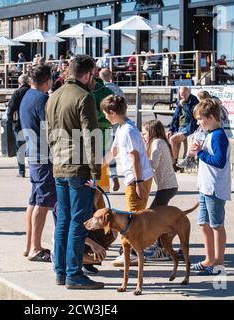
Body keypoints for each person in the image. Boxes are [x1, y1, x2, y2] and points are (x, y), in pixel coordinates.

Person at [46, 54, 104, 289]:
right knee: (79, 222)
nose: (95, 80)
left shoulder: (54, 96)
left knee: (63, 221)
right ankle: (74, 274)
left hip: (59, 165)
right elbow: (92, 136)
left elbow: (48, 134)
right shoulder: (84, 97)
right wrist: (95, 170)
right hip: (79, 168)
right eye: (95, 75)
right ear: (88, 74)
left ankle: (60, 272)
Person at [101, 95, 154, 267]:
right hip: (134, 178)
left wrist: (138, 183)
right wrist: (97, 167)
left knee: (133, 219)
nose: (105, 117)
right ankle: (132, 250)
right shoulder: (122, 128)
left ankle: (131, 253)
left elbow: (135, 158)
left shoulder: (128, 131)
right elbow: (114, 152)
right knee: (133, 215)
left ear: (113, 112)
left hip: (137, 178)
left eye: (106, 114)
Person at [189, 98, 231, 276]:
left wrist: (200, 153)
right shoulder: (209, 134)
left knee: (216, 225)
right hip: (205, 187)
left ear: (212, 117)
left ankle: (219, 263)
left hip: (215, 188)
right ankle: (209, 259)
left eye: (200, 119)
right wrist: (198, 150)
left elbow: (219, 162)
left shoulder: (219, 136)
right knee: (203, 223)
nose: (198, 123)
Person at [19, 65, 57, 262]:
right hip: (43, 155)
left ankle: (29, 245)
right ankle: (35, 247)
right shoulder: (43, 98)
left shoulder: (26, 95)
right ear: (48, 81)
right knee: (42, 203)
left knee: (34, 200)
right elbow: (49, 127)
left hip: (32, 152)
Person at [141, 120, 179, 261]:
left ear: (151, 132)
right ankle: (161, 246)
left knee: (152, 216)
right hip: (168, 186)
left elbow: (153, 164)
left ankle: (162, 249)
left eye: (144, 133)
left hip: (166, 186)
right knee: (156, 217)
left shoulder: (157, 143)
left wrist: (138, 157)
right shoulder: (162, 142)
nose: (143, 136)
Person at [167, 86, 199, 170]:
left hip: (189, 127)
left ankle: (174, 164)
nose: (183, 97)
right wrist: (171, 129)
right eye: (181, 95)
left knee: (173, 140)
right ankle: (175, 163)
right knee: (171, 139)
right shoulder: (180, 102)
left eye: (185, 94)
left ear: (189, 92)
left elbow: (193, 115)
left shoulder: (194, 101)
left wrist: (184, 106)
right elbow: (175, 117)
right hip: (180, 128)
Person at [6, 74, 31, 177]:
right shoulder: (32, 92)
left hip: (19, 124)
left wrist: (10, 120)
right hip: (31, 124)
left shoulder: (18, 92)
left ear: (19, 82)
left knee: (20, 148)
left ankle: (21, 171)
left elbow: (11, 108)